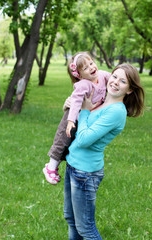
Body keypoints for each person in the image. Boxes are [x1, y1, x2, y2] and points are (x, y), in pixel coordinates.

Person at [63, 63, 145, 239]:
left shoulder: (116, 112)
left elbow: (84, 140)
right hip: (73, 165)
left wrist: (84, 111)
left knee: (85, 227)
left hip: (85, 173)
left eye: (123, 81)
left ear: (129, 90)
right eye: (114, 76)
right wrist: (70, 106)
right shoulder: (100, 102)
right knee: (71, 219)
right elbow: (75, 127)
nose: (115, 82)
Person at [43, 52, 111, 185]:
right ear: (79, 75)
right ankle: (51, 167)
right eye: (85, 68)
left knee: (73, 144)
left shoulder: (102, 75)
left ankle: (62, 166)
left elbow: (114, 78)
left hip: (86, 117)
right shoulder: (83, 85)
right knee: (63, 139)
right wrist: (70, 121)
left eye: (91, 63)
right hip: (74, 116)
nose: (91, 67)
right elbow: (74, 104)